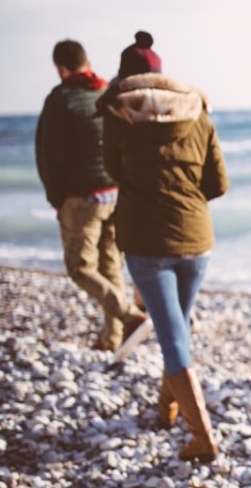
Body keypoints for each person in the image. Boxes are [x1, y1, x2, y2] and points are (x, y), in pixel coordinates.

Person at [100, 31, 229, 462]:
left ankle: (203, 437)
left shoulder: (118, 114)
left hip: (145, 239)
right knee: (177, 324)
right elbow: (218, 183)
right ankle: (166, 408)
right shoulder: (197, 111)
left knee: (173, 336)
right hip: (197, 239)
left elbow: (111, 168)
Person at [35, 39, 147, 351]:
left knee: (80, 267)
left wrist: (56, 198)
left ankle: (131, 317)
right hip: (115, 193)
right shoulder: (105, 92)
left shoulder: (60, 100)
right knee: (110, 266)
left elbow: (48, 155)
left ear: (60, 68)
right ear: (87, 61)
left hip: (82, 197)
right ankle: (112, 339)